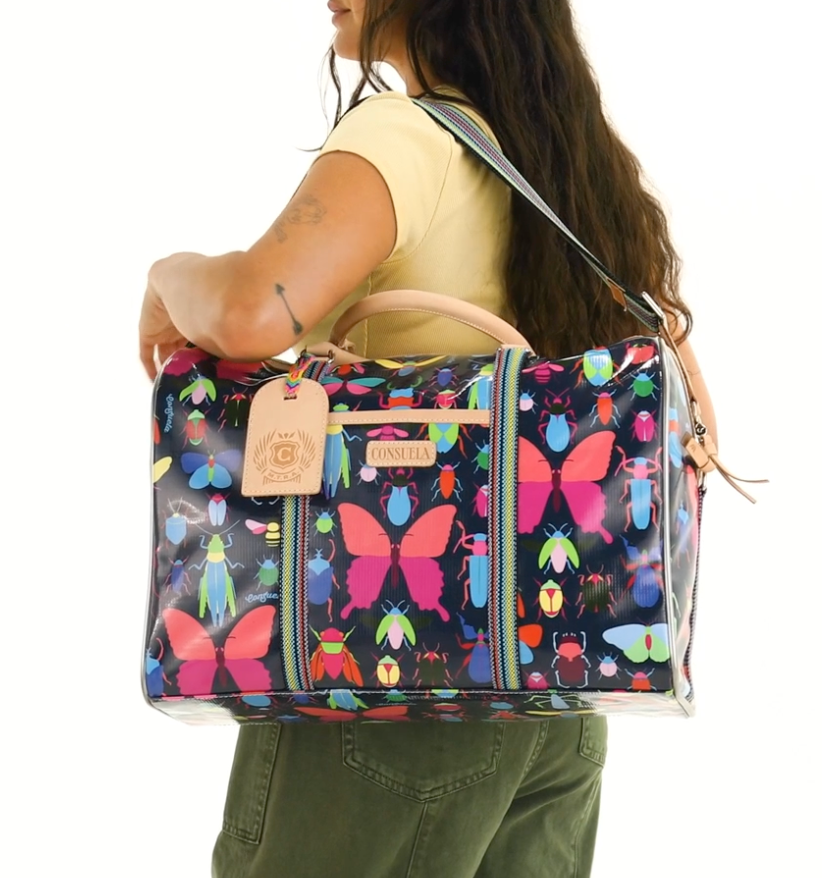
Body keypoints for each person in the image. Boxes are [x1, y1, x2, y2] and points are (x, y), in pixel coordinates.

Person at [139, 2, 717, 876]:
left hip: (380, 681)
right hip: (552, 700)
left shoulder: (403, 136)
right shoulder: (566, 172)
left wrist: (165, 277)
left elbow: (251, 311)